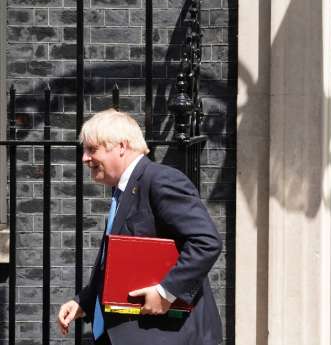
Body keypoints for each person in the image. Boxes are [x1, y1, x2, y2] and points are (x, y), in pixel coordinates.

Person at [57, 108, 223, 345]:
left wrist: (166, 291)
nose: (84, 158)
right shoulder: (122, 190)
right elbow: (116, 262)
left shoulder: (160, 180)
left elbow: (207, 241)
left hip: (166, 334)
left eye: (92, 149)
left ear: (122, 146)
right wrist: (84, 300)